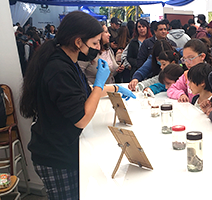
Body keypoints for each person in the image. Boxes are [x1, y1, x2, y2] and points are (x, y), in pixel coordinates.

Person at [19, 11, 135, 200]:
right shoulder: (58, 69)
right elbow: (81, 119)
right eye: (95, 43)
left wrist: (113, 88)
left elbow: (81, 92)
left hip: (64, 148)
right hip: (56, 156)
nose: (98, 48)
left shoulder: (67, 61)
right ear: (78, 41)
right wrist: (99, 84)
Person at [167, 38, 212, 102]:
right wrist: (181, 95)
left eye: (190, 58)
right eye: (184, 59)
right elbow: (172, 89)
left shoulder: (211, 75)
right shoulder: (186, 75)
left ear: (202, 56)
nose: (187, 63)